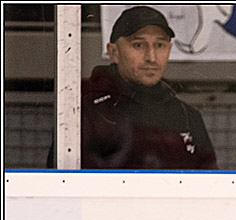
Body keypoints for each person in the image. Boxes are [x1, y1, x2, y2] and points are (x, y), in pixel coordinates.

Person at [56, 5, 218, 170]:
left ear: (169, 51)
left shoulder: (187, 116)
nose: (151, 57)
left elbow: (210, 182)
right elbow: (64, 180)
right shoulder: (87, 109)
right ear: (113, 52)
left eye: (160, 45)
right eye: (139, 45)